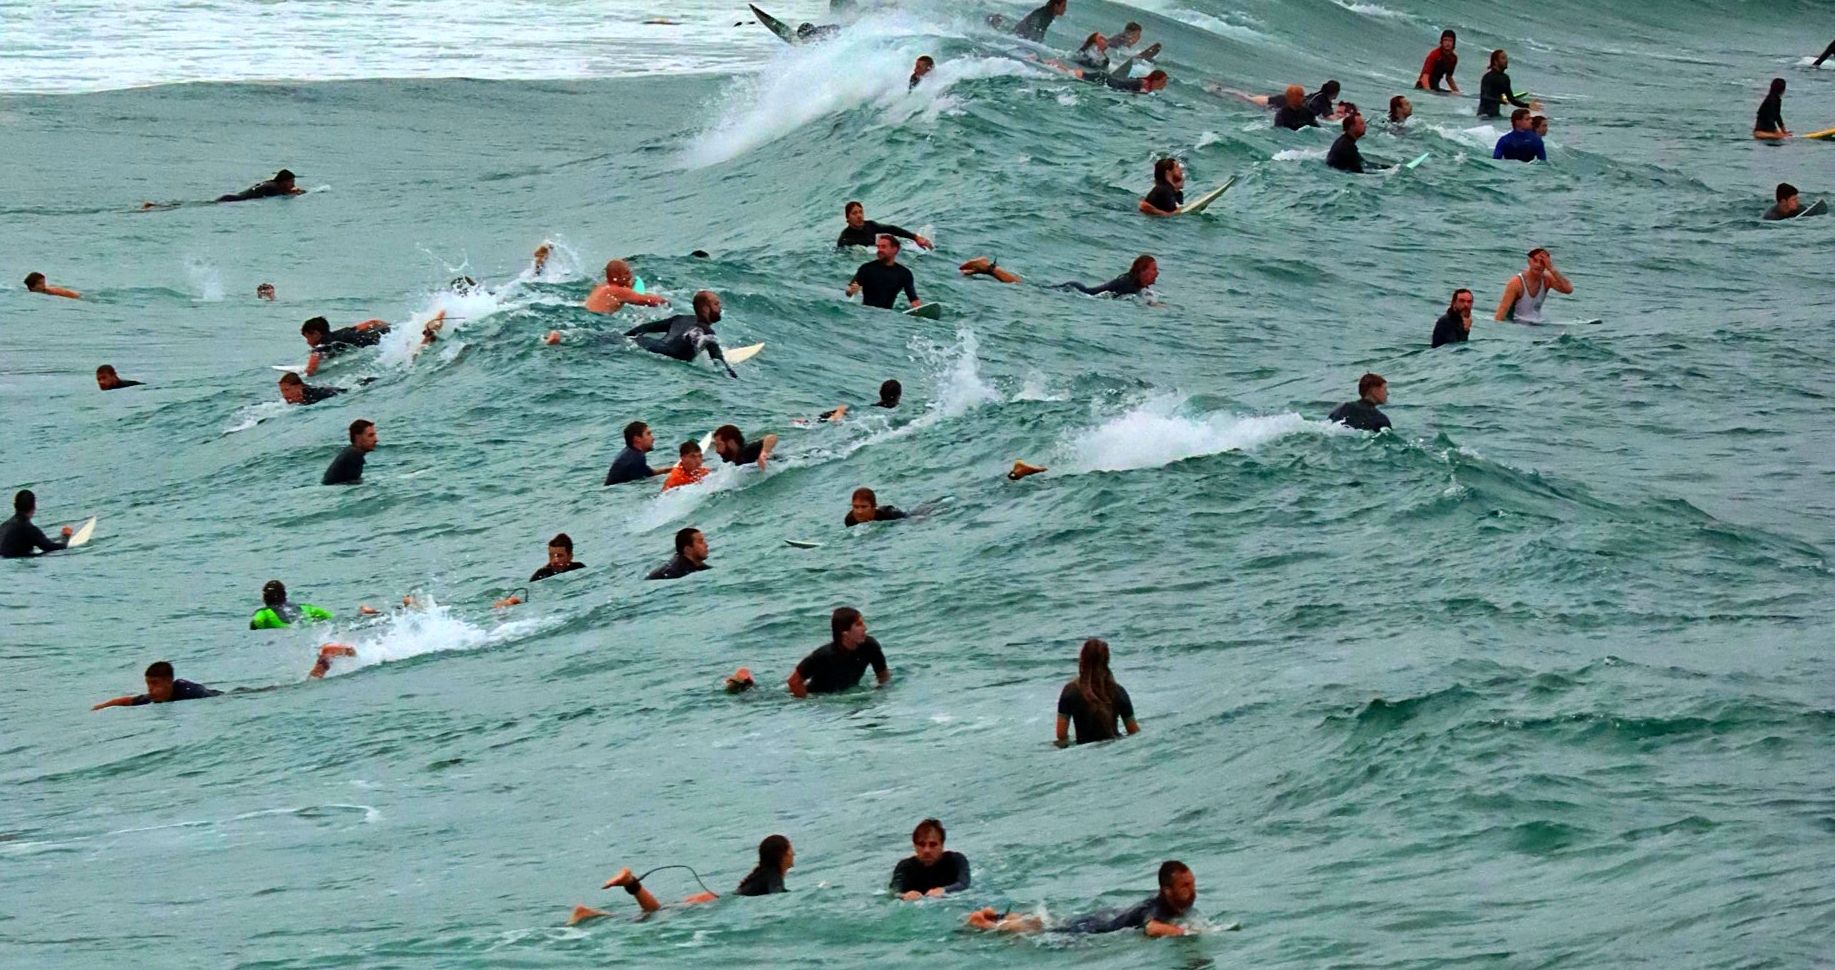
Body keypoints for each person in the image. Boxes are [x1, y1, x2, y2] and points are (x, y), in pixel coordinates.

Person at [568, 835, 794, 925]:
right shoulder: (773, 877)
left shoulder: (764, 873)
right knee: (653, 917)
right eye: (791, 851)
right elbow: (777, 898)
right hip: (710, 904)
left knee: (651, 915)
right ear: (782, 854)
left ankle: (592, 911)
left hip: (709, 900)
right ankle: (629, 883)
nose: (794, 855)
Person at [966, 860, 1197, 937]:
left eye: (1192, 883)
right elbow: (1152, 928)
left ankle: (996, 916)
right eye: (1185, 886)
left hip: (1106, 916)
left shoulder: (1164, 905)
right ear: (1167, 890)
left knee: (1050, 923)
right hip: (1097, 926)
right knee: (1045, 930)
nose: (1193, 890)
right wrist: (1185, 933)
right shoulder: (1157, 908)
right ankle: (985, 924)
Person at [621, 292, 737, 378]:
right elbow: (719, 364)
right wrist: (734, 378)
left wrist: (624, 336)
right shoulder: (707, 333)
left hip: (646, 343)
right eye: (716, 304)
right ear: (706, 308)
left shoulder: (680, 318)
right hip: (663, 355)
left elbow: (643, 328)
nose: (720, 307)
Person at [788, 607, 889, 696]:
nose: (865, 628)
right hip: (819, 697)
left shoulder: (870, 646)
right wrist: (809, 703)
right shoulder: (824, 655)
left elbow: (883, 676)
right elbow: (794, 682)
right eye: (859, 625)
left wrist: (879, 695)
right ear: (845, 632)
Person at [1055, 638, 1139, 746]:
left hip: (1084, 752)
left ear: (1082, 659)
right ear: (1106, 660)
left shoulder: (1070, 691)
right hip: (1115, 748)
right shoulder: (1119, 691)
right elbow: (1133, 731)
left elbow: (1061, 736)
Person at [890, 819, 970, 899]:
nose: (927, 850)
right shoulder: (905, 867)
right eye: (922, 844)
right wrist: (904, 895)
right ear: (915, 846)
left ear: (942, 845)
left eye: (933, 845)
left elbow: (964, 883)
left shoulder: (956, 860)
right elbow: (894, 892)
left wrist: (944, 890)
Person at [93, 661, 223, 709]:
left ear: (168, 681)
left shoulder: (192, 692)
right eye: (148, 684)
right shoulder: (154, 696)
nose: (150, 689)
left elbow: (215, 701)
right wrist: (102, 706)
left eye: (155, 683)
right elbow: (127, 700)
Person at [1493, 248, 1573, 324]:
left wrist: (1552, 269)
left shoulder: (1547, 280)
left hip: (1537, 324)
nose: (1538, 265)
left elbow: (1568, 289)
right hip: (1517, 323)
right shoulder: (1516, 282)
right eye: (1535, 260)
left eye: (1542, 262)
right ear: (1529, 262)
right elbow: (1500, 313)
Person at [847, 235, 921, 311]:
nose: (879, 250)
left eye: (883, 247)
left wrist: (918, 310)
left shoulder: (904, 273)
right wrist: (851, 291)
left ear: (895, 249)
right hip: (866, 312)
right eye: (878, 247)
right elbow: (849, 291)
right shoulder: (867, 268)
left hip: (887, 315)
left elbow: (913, 299)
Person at [300, 316, 389, 377]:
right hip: (384, 334)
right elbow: (373, 322)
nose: (307, 342)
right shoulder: (342, 332)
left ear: (316, 334)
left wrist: (306, 375)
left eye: (307, 337)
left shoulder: (323, 345)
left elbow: (311, 368)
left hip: (377, 343)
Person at [1, 489, 72, 558]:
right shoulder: (29, 529)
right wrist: (65, 537)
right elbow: (50, 547)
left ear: (15, 505)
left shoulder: (3, 527)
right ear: (34, 507)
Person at [1057, 254, 1160, 300]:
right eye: (1154, 270)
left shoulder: (1137, 284)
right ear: (1142, 271)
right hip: (1079, 290)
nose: (1157, 273)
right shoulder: (1128, 283)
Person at [836, 201, 933, 250]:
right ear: (847, 218)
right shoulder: (845, 239)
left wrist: (915, 237)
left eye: (861, 212)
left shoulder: (870, 225)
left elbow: (891, 229)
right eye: (854, 213)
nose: (859, 216)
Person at [585, 259, 668, 314]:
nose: (630, 276)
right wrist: (665, 301)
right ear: (615, 275)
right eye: (627, 273)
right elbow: (647, 301)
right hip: (600, 321)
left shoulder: (602, 286)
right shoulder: (619, 291)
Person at [249, 579, 336, 628]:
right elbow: (330, 617)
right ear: (284, 595)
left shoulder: (263, 613)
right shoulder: (305, 607)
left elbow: (258, 621)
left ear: (265, 598)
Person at [606, 421, 667, 485]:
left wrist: (672, 469)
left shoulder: (630, 452)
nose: (653, 438)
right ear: (637, 439)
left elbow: (650, 473)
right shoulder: (636, 457)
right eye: (648, 434)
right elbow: (640, 486)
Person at [1477, 50, 1534, 118]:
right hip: (1484, 116)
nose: (1506, 60)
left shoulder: (1505, 78)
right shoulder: (1488, 77)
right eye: (1503, 58)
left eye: (1506, 58)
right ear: (1495, 61)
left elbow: (1511, 99)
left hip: (1496, 115)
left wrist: (1527, 105)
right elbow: (1485, 96)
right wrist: (1500, 100)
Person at [322, 419, 377, 485]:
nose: (376, 439)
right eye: (370, 435)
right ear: (358, 437)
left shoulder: (349, 452)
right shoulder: (354, 454)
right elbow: (354, 486)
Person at [646, 527, 710, 580]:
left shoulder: (695, 564)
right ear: (688, 549)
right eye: (700, 542)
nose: (706, 545)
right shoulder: (677, 571)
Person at [710, 425, 778, 469]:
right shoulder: (734, 456)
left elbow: (772, 437)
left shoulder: (746, 451)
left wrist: (764, 453)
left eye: (719, 445)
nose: (717, 451)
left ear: (731, 443)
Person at [216, 169, 302, 203]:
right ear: (283, 182)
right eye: (291, 182)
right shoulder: (274, 188)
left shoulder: (270, 183)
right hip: (234, 200)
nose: (293, 184)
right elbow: (283, 194)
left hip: (231, 197)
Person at [277, 371, 343, 406]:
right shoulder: (294, 401)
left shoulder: (315, 397)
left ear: (299, 387)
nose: (284, 395)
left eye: (287, 390)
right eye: (282, 391)